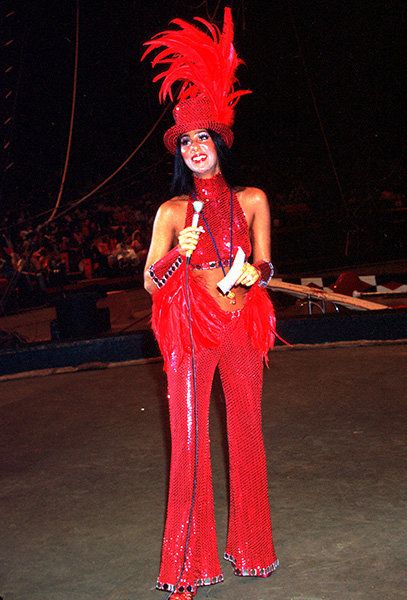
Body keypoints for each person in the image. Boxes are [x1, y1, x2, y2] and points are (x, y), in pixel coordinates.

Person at [142, 9, 278, 599]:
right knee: (191, 441)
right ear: (180, 152)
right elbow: (152, 279)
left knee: (247, 432)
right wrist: (182, 255)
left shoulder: (252, 199)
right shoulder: (173, 213)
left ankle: (251, 548)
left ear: (219, 141)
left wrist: (250, 277)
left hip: (242, 327)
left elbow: (269, 267)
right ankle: (188, 568)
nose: (197, 148)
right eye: (187, 141)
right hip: (192, 331)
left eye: (204, 137)